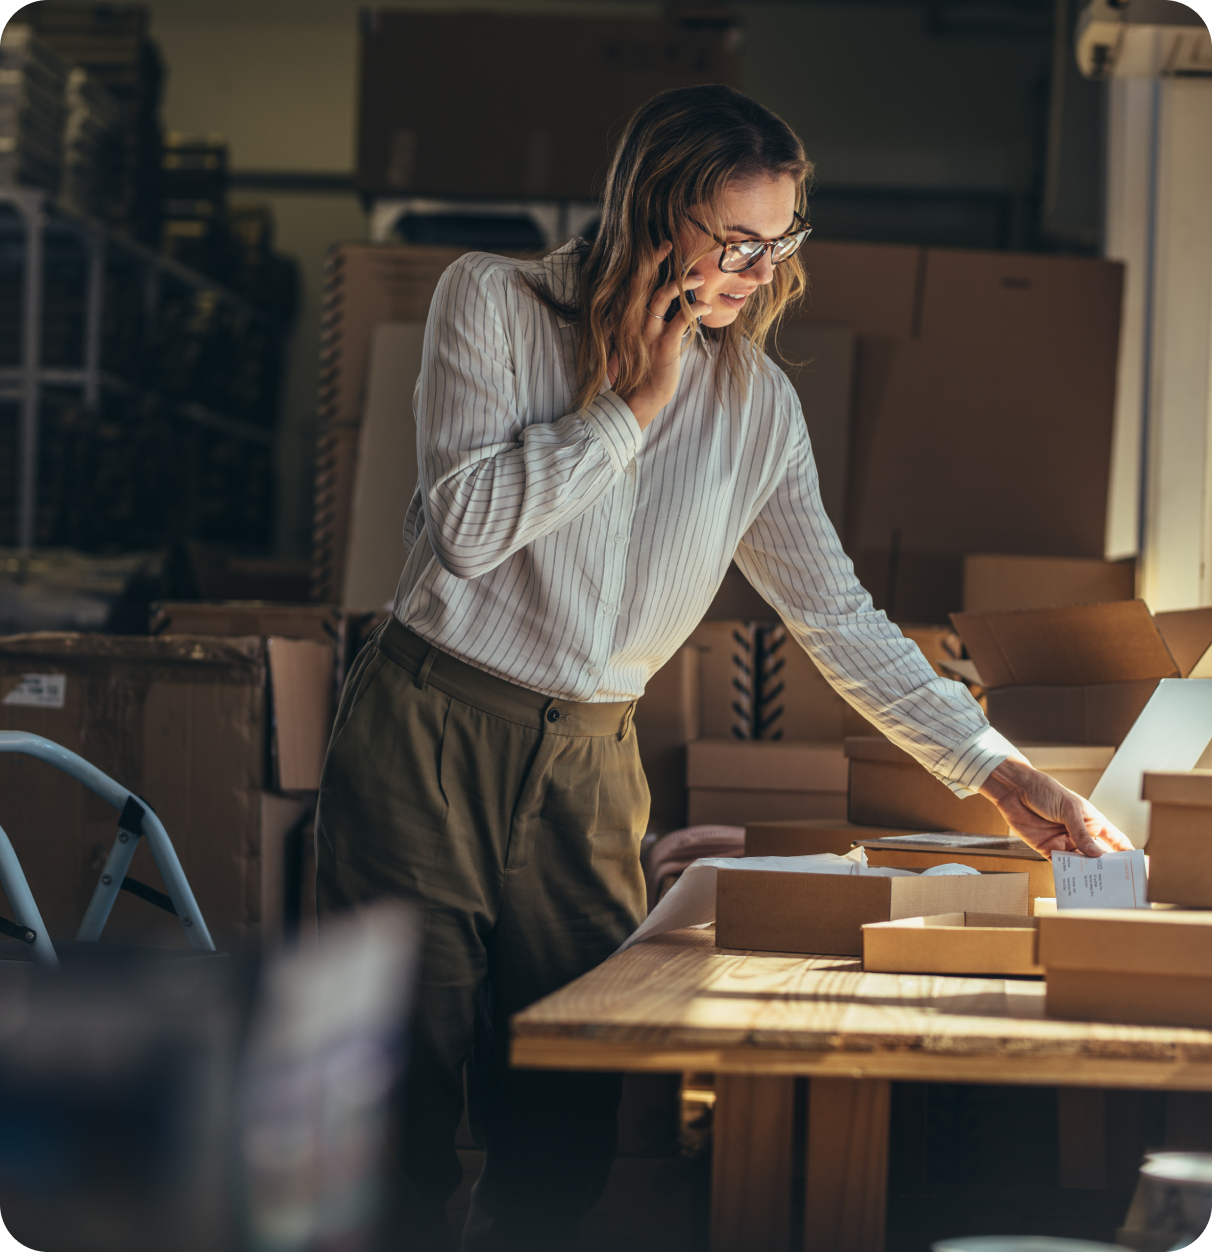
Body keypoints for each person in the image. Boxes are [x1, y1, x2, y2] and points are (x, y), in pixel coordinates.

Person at [315, 83, 1132, 1251]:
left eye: (782, 238)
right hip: (427, 729)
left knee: (565, 1114)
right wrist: (631, 410)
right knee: (391, 1096)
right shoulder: (490, 302)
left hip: (592, 765)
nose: (761, 266)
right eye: (736, 238)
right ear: (654, 213)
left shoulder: (757, 407)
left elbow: (838, 619)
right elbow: (465, 526)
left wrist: (999, 771)